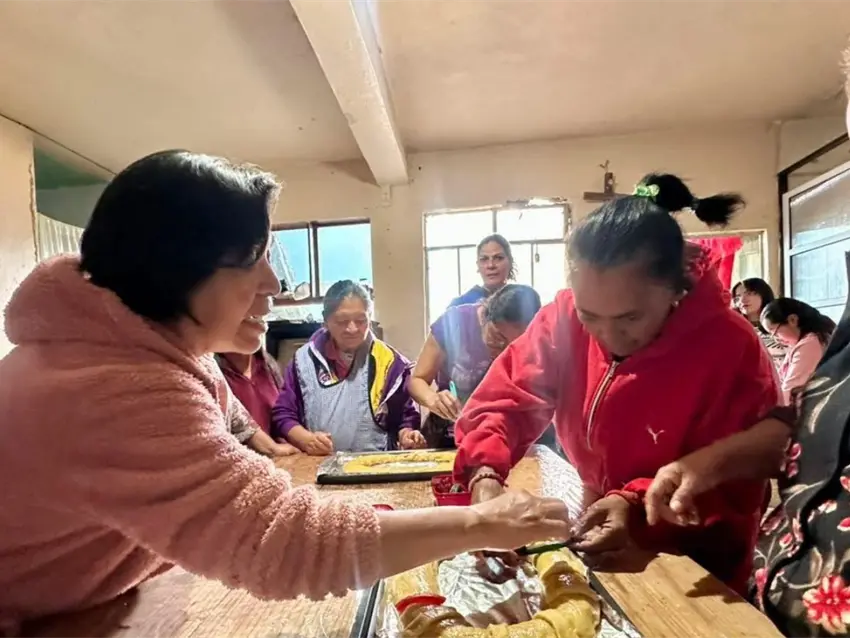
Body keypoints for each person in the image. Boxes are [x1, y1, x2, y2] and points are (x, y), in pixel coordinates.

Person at [0, 150, 573, 626]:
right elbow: (282, 543)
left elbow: (233, 433)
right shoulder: (108, 385)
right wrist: (483, 524)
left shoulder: (152, 351)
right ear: (178, 269)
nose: (274, 283)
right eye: (255, 258)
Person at [452, 173, 780, 595]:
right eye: (590, 315)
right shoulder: (563, 318)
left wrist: (635, 503)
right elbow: (506, 399)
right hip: (606, 521)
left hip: (698, 557)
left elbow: (734, 472)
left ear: (675, 289)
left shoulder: (729, 346)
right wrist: (485, 475)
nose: (607, 336)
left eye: (630, 318)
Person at [271, 279, 425, 454]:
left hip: (375, 463)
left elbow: (405, 416)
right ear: (325, 320)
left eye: (361, 320)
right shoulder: (304, 360)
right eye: (342, 321)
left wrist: (407, 435)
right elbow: (283, 413)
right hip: (318, 462)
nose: (352, 329)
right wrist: (305, 439)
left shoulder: (389, 362)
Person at [410, 284, 542, 448]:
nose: (503, 349)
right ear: (484, 316)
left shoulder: (535, 343)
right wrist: (433, 399)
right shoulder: (454, 323)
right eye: (497, 337)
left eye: (514, 344)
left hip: (502, 436)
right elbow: (417, 380)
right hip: (449, 434)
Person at [216, 346, 299, 457]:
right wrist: (271, 448)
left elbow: (283, 414)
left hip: (280, 458)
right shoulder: (213, 371)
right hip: (241, 460)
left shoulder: (267, 363)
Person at [761, 298, 835, 405]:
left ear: (793, 320)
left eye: (775, 332)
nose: (776, 339)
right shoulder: (806, 340)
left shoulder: (810, 344)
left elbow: (790, 390)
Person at [449, 234, 515, 307]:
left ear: (510, 262)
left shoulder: (522, 300)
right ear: (477, 265)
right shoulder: (459, 304)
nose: (491, 265)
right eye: (484, 259)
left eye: (498, 258)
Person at [733, 278, 788, 367]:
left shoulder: (783, 324)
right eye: (737, 297)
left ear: (763, 294)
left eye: (749, 293)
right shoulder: (736, 328)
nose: (742, 300)